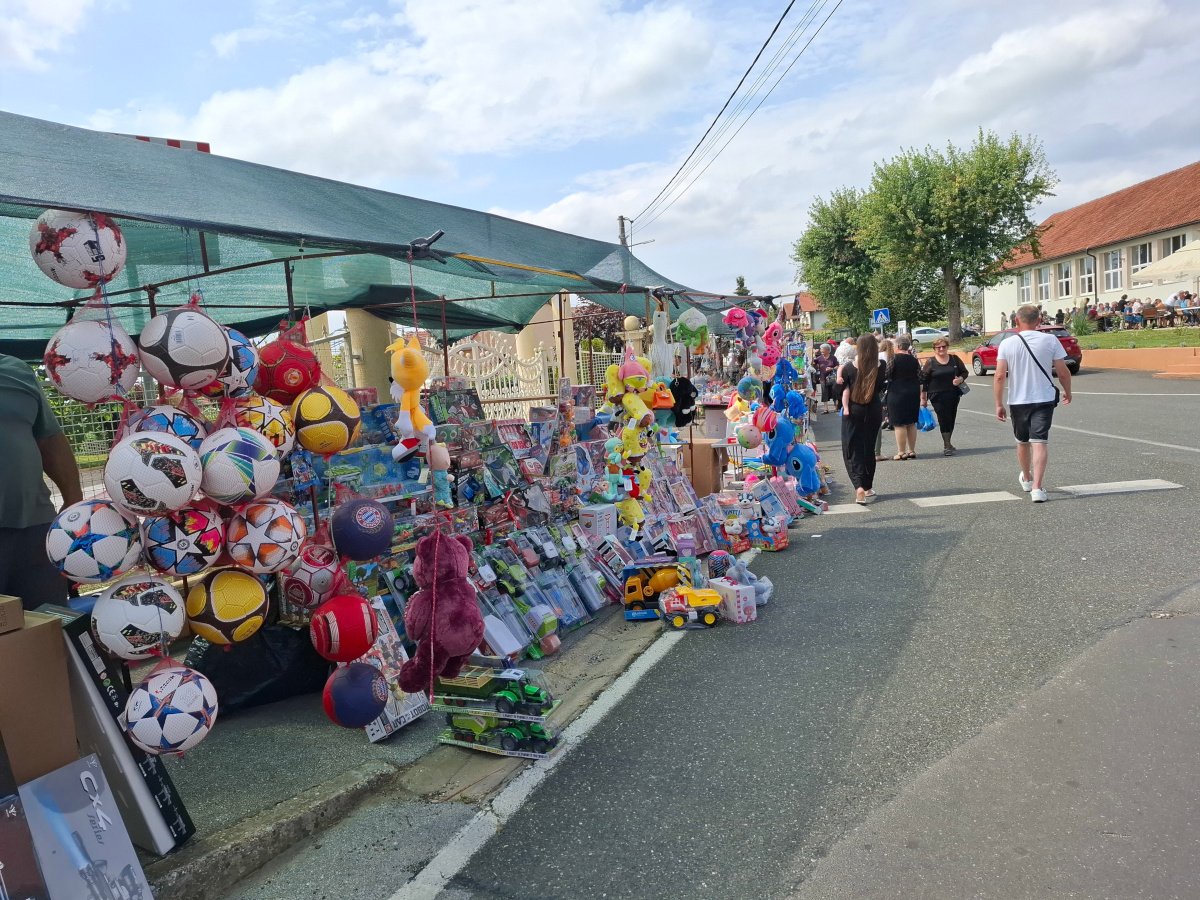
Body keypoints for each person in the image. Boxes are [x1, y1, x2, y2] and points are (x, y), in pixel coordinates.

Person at [0, 354, 82, 609]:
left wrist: (73, 500)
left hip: (35, 529)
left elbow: (49, 439)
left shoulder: (16, 370)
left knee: (50, 620)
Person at [993, 304, 1072, 503]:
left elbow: (1000, 376)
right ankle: (1037, 488)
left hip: (1018, 400)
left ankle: (1027, 478)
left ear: (1016, 320)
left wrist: (998, 403)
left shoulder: (1007, 344)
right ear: (1039, 320)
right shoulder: (1050, 340)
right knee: (1040, 441)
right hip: (1044, 398)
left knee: (1022, 441)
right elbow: (1062, 372)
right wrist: (1068, 391)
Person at [840, 332, 886, 505]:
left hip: (853, 410)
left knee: (852, 448)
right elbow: (880, 386)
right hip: (873, 409)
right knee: (869, 448)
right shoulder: (881, 365)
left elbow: (839, 390)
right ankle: (867, 486)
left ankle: (858, 486)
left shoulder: (849, 367)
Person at [921, 337, 969, 455]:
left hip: (953, 393)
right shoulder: (930, 362)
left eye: (944, 346)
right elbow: (924, 380)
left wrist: (960, 379)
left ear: (947, 347)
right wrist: (923, 398)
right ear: (934, 349)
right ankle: (947, 445)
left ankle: (949, 442)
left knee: (951, 418)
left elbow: (964, 372)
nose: (941, 349)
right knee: (943, 418)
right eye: (938, 347)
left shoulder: (954, 359)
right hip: (936, 395)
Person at [885, 335, 922, 460]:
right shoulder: (914, 359)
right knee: (911, 422)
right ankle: (911, 450)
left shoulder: (894, 358)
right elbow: (920, 376)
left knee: (899, 423)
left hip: (897, 392)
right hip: (913, 392)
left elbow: (887, 373)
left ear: (898, 346)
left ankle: (901, 452)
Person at [875, 339, 896, 461]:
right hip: (889, 382)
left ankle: (885, 417)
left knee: (881, 403)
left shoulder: (878, 356)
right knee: (887, 402)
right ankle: (889, 418)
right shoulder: (891, 356)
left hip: (880, 383)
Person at [812, 343, 838, 414]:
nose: (821, 352)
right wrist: (813, 354)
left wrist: (832, 368)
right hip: (823, 377)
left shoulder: (833, 358)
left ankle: (835, 406)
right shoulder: (819, 358)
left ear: (827, 350)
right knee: (824, 392)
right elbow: (812, 363)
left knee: (833, 391)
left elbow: (837, 366)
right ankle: (826, 409)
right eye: (821, 350)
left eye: (823, 350)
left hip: (831, 377)